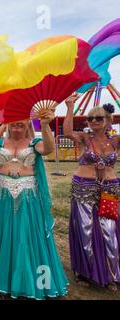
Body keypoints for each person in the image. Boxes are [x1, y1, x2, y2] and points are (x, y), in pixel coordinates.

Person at [0, 112, 69, 299]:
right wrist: (4, 123)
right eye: (13, 123)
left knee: (27, 236)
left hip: (28, 198)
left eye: (21, 122)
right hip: (2, 197)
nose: (17, 125)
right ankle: (1, 278)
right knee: (3, 234)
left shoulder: (34, 144)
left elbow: (48, 149)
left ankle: (36, 281)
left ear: (27, 123)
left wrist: (45, 125)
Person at [64, 94, 120, 291]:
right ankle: (85, 271)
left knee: (110, 231)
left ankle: (112, 273)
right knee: (85, 229)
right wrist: (70, 106)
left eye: (99, 118)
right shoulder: (84, 138)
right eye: (90, 118)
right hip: (83, 187)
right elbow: (68, 130)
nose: (94, 121)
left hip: (110, 188)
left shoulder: (115, 140)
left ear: (108, 120)